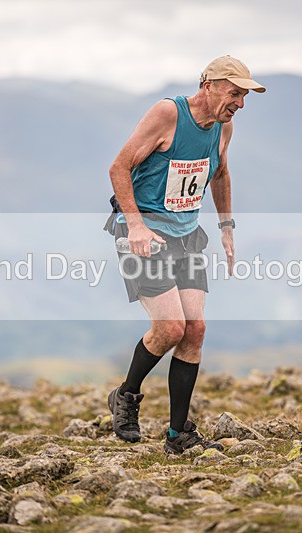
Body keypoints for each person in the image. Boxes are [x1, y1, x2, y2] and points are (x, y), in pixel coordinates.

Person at [106, 55, 265, 454]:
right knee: (171, 329)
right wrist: (138, 226)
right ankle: (126, 396)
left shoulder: (223, 126)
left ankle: (178, 435)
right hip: (142, 233)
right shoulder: (167, 114)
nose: (240, 104)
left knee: (195, 330)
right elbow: (119, 168)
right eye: (234, 93)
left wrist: (226, 227)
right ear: (208, 85)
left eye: (244, 96)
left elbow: (221, 172)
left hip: (186, 235)